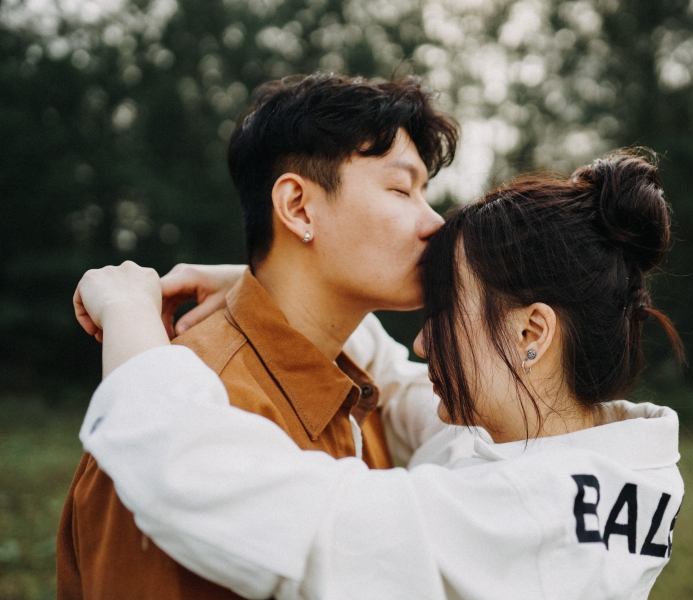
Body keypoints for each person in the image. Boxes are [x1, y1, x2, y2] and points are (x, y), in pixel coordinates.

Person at [73, 151, 686, 600]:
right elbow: (397, 383)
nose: (422, 342)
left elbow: (202, 481)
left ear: (531, 334)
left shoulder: (514, 515)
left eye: (446, 313)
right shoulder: (600, 465)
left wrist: (130, 316)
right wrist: (276, 288)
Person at [57, 73, 458, 599]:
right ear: (297, 207)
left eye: (425, 193)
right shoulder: (166, 423)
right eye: (402, 189)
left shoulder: (357, 393)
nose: (435, 224)